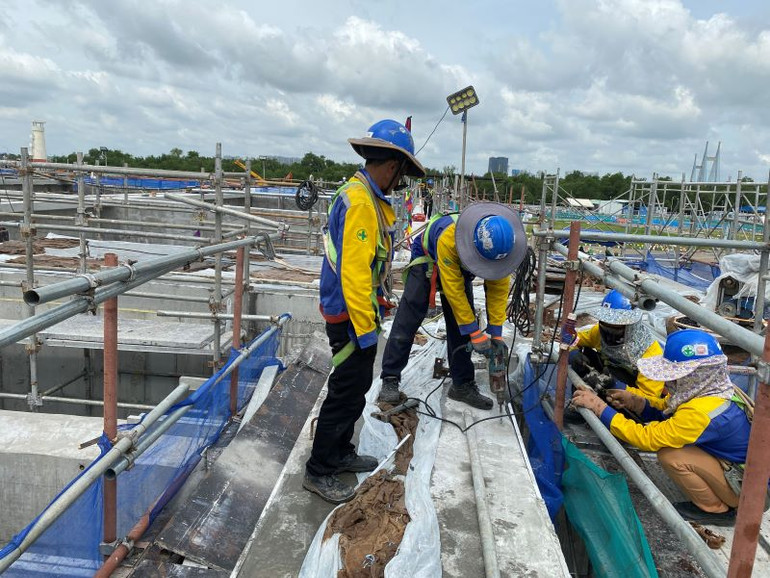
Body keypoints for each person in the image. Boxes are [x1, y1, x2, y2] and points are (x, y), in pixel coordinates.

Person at [304, 119, 426, 504]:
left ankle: (340, 452)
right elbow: (355, 274)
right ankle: (319, 469)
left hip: (357, 313)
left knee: (356, 388)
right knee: (345, 390)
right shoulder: (359, 202)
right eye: (401, 173)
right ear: (391, 166)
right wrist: (365, 329)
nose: (399, 181)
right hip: (350, 316)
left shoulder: (366, 197)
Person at [571, 329, 751, 526]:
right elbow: (668, 409)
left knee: (671, 456)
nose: (669, 381)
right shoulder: (712, 390)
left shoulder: (700, 413)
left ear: (693, 376)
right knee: (675, 449)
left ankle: (716, 510)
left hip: (748, 491)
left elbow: (646, 438)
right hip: (740, 471)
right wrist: (636, 401)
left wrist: (600, 408)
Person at [378, 201, 527, 409]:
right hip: (428, 258)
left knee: (461, 327)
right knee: (408, 319)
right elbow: (453, 291)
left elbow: (498, 292)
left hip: (463, 261)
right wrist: (475, 333)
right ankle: (390, 379)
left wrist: (496, 333)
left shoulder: (504, 250)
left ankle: (462, 385)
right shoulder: (450, 238)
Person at [570, 290, 665, 403]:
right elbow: (572, 339)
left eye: (615, 328)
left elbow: (650, 399)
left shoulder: (651, 356)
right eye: (605, 325)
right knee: (586, 354)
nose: (608, 333)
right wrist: (573, 353)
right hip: (605, 374)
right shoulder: (598, 332)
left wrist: (617, 386)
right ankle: (580, 397)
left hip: (628, 394)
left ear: (631, 326)